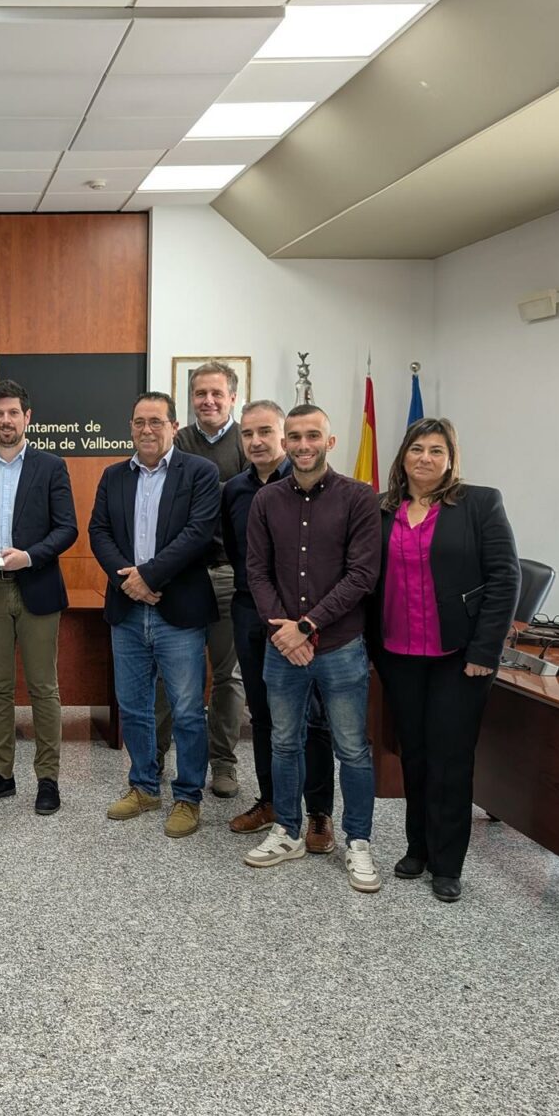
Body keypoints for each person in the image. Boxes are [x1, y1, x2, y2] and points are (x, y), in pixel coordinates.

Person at [370, 417, 519, 903]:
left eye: (437, 450)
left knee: (450, 759)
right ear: (403, 456)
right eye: (417, 449)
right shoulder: (381, 509)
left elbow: (505, 578)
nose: (426, 458)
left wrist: (485, 651)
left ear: (451, 459)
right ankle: (418, 847)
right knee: (414, 754)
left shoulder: (479, 503)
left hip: (459, 657)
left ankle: (447, 862)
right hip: (398, 654)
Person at [243, 403, 383, 893]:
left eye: (313, 436)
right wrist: (285, 631)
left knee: (352, 748)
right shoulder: (266, 500)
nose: (303, 445)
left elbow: (362, 575)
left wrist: (307, 626)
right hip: (282, 646)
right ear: (285, 443)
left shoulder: (359, 498)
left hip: (339, 646)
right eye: (295, 437)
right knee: (284, 742)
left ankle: (358, 842)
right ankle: (287, 831)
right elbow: (257, 572)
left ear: (330, 441)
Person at [89, 391, 221, 836]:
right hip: (127, 610)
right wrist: (129, 582)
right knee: (133, 706)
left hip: (178, 609)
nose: (147, 430)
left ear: (174, 426)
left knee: (187, 709)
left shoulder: (199, 472)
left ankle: (188, 797)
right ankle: (144, 786)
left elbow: (198, 533)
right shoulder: (113, 476)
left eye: (156, 422)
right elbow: (99, 532)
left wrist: (147, 576)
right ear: (130, 427)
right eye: (139, 422)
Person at [0, 380, 77, 815]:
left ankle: (48, 780)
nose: (6, 420)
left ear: (28, 417)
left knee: (43, 688)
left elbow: (67, 528)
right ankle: (1, 775)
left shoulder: (51, 466)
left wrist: (30, 556)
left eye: (13, 413)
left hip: (37, 587)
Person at [222, 401, 337, 852]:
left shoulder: (314, 483)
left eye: (265, 432)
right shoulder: (234, 490)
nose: (256, 441)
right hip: (251, 613)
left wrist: (303, 621)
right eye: (247, 434)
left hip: (306, 620)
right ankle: (271, 801)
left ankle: (319, 813)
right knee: (264, 714)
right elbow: (238, 554)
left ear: (284, 437)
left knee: (313, 717)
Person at [155, 360, 247, 798]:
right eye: (199, 394)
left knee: (227, 677)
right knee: (169, 673)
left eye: (216, 393)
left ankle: (223, 763)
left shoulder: (247, 442)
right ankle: (155, 756)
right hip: (182, 575)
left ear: (233, 397)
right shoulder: (177, 442)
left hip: (229, 573)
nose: (207, 401)